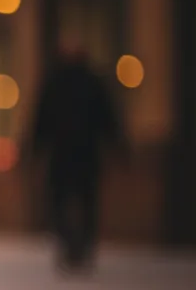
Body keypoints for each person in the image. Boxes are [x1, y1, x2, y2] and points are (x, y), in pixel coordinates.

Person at [30, 42, 127, 273]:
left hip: (63, 154)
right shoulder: (92, 82)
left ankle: (71, 243)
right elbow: (108, 119)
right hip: (86, 153)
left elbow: (40, 120)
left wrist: (35, 149)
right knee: (86, 200)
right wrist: (119, 147)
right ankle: (81, 245)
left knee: (60, 202)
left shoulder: (56, 83)